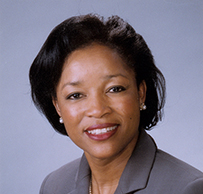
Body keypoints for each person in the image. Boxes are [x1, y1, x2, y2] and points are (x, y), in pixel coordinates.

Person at [29, 14, 203, 194]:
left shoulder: (187, 188)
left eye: (114, 89)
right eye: (76, 95)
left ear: (140, 93)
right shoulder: (54, 186)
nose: (97, 110)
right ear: (57, 107)